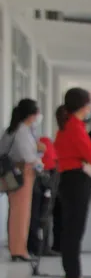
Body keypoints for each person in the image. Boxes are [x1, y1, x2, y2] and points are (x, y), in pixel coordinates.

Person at [54, 88, 91, 278]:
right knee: (74, 231)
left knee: (71, 229)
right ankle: (73, 276)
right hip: (77, 181)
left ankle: (72, 274)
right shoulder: (76, 128)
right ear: (83, 105)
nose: (90, 107)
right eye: (89, 103)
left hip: (69, 179)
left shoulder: (66, 126)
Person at [1, 99, 42, 261]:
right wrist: (38, 160)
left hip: (11, 172)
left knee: (15, 210)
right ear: (31, 115)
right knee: (22, 212)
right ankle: (19, 250)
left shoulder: (11, 130)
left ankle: (16, 247)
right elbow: (27, 156)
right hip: (23, 172)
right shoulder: (23, 131)